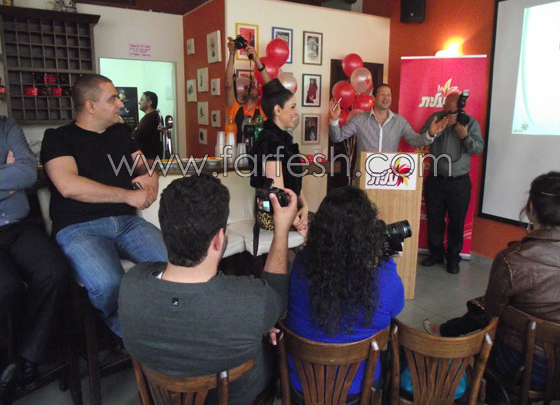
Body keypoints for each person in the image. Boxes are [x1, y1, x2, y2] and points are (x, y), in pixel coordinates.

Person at [119, 174, 298, 405]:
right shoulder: (251, 301)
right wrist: (281, 230)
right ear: (218, 239)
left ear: (165, 231)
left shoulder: (130, 285)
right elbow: (277, 295)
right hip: (240, 398)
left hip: (161, 398)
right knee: (273, 338)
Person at [40, 74, 167, 337]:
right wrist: (128, 196)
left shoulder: (120, 133)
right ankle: (133, 336)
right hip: (79, 228)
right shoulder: (57, 138)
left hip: (127, 223)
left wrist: (152, 180)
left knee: (172, 266)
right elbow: (68, 185)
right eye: (113, 99)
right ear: (90, 105)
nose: (121, 104)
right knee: (108, 283)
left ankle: (160, 326)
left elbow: (145, 166)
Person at [423, 171, 560, 398]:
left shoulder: (511, 260)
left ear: (531, 208)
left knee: (484, 310)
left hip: (521, 365)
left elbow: (492, 314)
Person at [284, 186, 404, 404]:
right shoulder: (385, 277)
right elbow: (396, 308)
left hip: (301, 388)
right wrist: (387, 261)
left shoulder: (301, 265)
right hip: (357, 392)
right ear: (368, 234)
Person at [0, 117, 70, 404]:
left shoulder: (6, 126)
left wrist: (16, 173)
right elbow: (16, 175)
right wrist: (7, 176)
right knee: (7, 288)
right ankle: (8, 364)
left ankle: (27, 354)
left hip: (19, 225)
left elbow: (27, 173)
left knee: (55, 272)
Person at [419, 90, 484, 274]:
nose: (451, 115)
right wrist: (436, 129)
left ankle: (453, 259)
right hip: (435, 179)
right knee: (434, 219)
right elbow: (421, 138)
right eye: (448, 111)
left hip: (459, 182)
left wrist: (465, 136)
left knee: (456, 222)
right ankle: (435, 254)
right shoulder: (436, 118)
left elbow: (478, 149)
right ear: (444, 107)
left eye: (454, 112)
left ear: (460, 109)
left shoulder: (470, 122)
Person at [329, 83, 448, 164]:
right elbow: (337, 137)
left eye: (389, 95)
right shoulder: (359, 119)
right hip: (364, 176)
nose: (386, 98)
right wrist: (334, 119)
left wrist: (430, 133)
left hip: (389, 177)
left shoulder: (400, 121)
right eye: (383, 94)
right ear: (373, 98)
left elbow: (416, 141)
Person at [251, 79, 309, 237]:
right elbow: (277, 193)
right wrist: (298, 222)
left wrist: (305, 206)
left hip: (289, 209)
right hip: (273, 214)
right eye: (292, 107)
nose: (296, 113)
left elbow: (295, 181)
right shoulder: (270, 141)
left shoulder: (283, 139)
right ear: (277, 110)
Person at [225, 37, 271, 142]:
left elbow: (271, 86)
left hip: (258, 151)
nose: (251, 87)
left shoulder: (263, 110)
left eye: (253, 86)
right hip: (236, 150)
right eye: (248, 87)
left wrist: (256, 60)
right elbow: (228, 84)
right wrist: (232, 54)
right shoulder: (235, 108)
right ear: (242, 93)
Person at [133, 91, 161, 159]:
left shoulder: (153, 117)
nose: (139, 102)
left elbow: (137, 135)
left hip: (149, 159)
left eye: (142, 100)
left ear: (149, 102)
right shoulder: (150, 117)